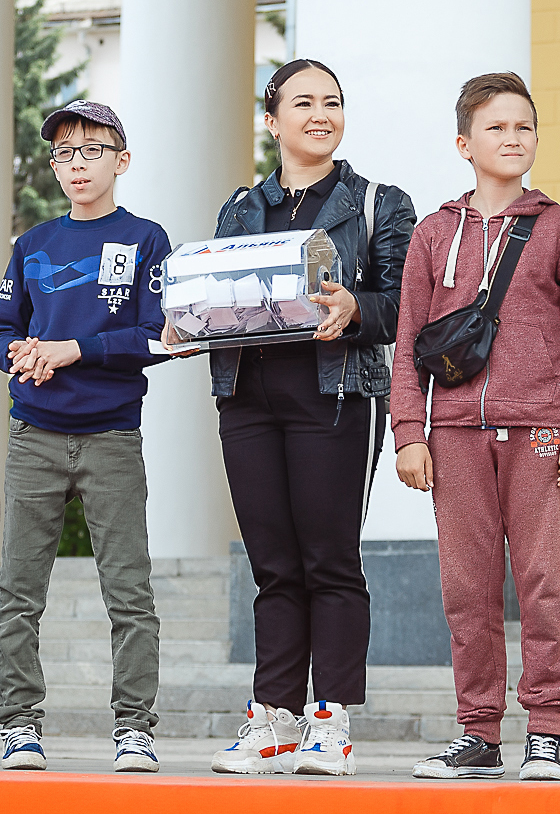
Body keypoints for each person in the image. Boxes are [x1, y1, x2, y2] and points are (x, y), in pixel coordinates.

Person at [390, 72, 560, 784]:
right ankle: (479, 735)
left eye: (524, 127)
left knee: (543, 581)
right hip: (453, 435)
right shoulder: (433, 233)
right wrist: (409, 431)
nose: (513, 138)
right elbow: (407, 341)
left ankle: (544, 733)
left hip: (541, 431)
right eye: (496, 127)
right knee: (467, 590)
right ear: (464, 144)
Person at [200, 59, 416, 777]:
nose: (320, 114)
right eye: (303, 103)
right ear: (272, 121)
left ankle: (331, 720)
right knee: (272, 566)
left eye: (332, 102)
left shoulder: (379, 203)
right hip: (247, 398)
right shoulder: (240, 209)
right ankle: (273, 718)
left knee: (330, 560)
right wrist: (186, 320)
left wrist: (358, 308)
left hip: (336, 396)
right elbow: (221, 295)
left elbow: (407, 306)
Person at [0, 100, 172, 774]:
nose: (77, 164)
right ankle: (19, 726)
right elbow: (1, 327)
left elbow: (159, 335)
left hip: (112, 435)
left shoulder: (146, 239)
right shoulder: (33, 244)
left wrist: (74, 350)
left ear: (122, 161)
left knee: (130, 596)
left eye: (92, 150)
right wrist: (21, 356)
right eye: (65, 153)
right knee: (19, 593)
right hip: (34, 434)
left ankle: (134, 729)